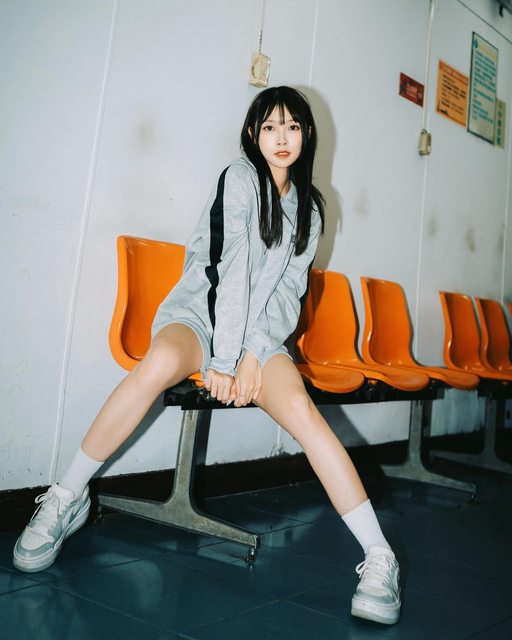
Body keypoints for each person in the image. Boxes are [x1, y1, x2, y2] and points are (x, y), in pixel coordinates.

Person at [13, 86, 400, 625]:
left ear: (307, 134)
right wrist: (222, 360)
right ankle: (65, 496)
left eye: (292, 126)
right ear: (253, 134)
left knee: (303, 412)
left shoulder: (311, 208)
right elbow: (228, 270)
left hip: (258, 337)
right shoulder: (239, 178)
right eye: (270, 126)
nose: (281, 138)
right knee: (155, 365)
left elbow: (288, 293)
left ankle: (380, 557)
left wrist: (252, 354)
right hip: (199, 316)